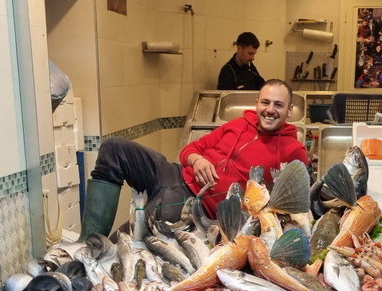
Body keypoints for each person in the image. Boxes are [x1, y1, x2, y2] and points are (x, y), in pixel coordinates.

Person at [76, 79, 308, 240]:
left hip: (196, 203)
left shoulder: (293, 150)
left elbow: (294, 205)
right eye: (265, 102)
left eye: (278, 105)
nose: (270, 110)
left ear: (290, 110)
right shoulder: (237, 124)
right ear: (257, 103)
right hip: (174, 173)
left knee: (130, 234)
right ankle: (87, 242)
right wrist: (197, 160)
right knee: (114, 148)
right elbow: (190, 149)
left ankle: (94, 256)